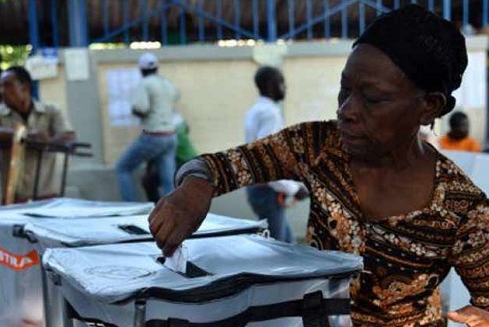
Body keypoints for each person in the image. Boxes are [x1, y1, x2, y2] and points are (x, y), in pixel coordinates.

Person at [149, 5, 489, 326]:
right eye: (345, 90)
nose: (346, 110)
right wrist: (194, 186)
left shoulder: (461, 208)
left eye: (372, 98)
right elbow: (219, 166)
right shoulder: (317, 147)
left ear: (429, 107)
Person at [0, 66, 75, 202]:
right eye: (0, 86)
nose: (2, 91)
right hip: (13, 197)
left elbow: (68, 136)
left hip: (47, 197)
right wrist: (23, 135)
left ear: (25, 87)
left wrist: (48, 142)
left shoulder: (50, 112)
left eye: (7, 86)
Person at [245, 66, 308, 242]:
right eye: (282, 83)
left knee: (288, 244)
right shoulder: (269, 114)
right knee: (277, 251)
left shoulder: (255, 110)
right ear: (271, 84)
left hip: (260, 188)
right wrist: (293, 188)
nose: (285, 87)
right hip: (267, 190)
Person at [115, 52, 180, 202]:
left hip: (153, 136)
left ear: (141, 70)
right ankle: (173, 210)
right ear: (157, 67)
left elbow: (141, 108)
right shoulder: (166, 83)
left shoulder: (145, 84)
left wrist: (134, 111)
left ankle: (130, 207)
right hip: (170, 136)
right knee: (167, 180)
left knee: (122, 168)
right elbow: (176, 96)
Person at [141, 110, 199, 203]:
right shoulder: (178, 124)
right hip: (189, 162)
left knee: (150, 180)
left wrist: (149, 168)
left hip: (185, 163)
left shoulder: (170, 130)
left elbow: (156, 150)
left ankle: (161, 206)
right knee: (153, 179)